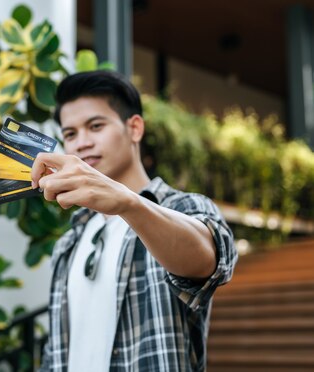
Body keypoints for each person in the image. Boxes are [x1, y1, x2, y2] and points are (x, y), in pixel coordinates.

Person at [31, 70, 237, 372]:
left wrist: (128, 202)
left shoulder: (182, 207)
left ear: (135, 128)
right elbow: (58, 349)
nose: (82, 143)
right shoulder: (70, 240)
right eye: (70, 134)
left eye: (96, 126)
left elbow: (209, 262)